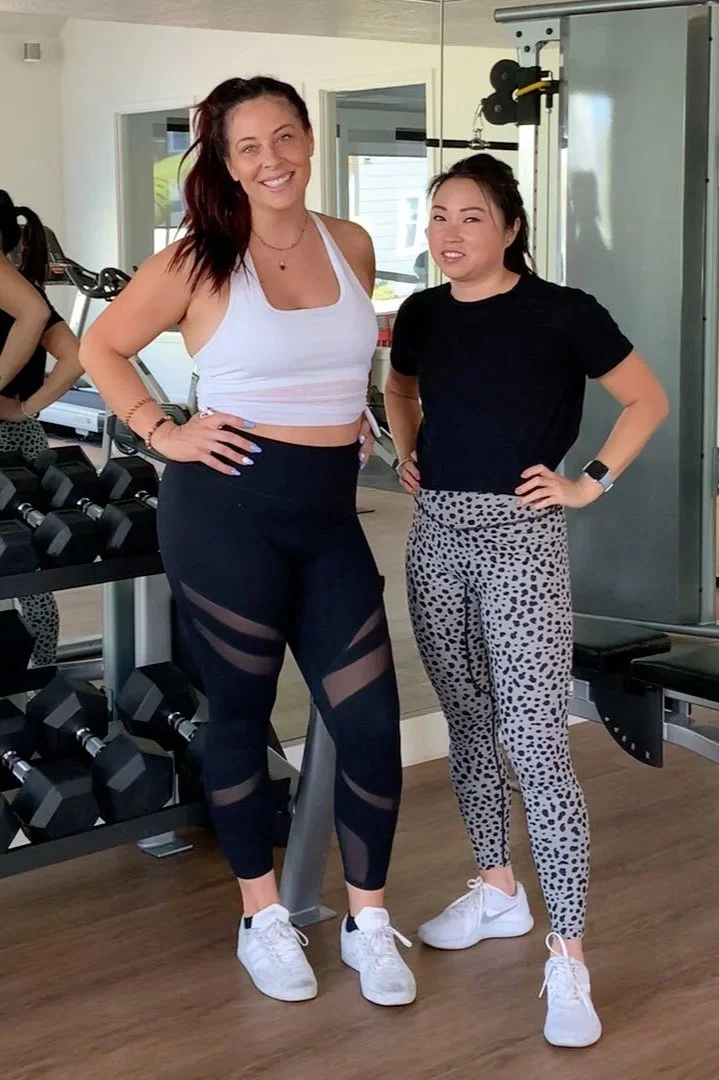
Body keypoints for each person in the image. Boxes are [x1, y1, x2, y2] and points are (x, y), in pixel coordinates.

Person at [79, 75, 416, 1008]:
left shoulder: (349, 243)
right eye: (248, 148)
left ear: (309, 139)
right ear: (224, 165)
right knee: (239, 711)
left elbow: (348, 359)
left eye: (284, 137)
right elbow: (99, 347)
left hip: (328, 514)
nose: (272, 160)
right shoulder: (195, 262)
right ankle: (262, 916)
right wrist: (160, 428)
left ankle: (369, 920)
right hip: (225, 510)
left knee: (369, 723)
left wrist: (352, 414)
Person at [385, 153, 668, 1047]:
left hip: (520, 535)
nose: (449, 234)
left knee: (534, 742)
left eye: (469, 217)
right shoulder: (423, 314)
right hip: (435, 534)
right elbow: (399, 387)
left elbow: (645, 399)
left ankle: (569, 958)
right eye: (436, 216)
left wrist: (587, 482)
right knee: (467, 720)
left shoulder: (562, 312)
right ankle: (497, 888)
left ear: (509, 228)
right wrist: (407, 450)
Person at [0, 192, 83, 665]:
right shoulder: (33, 300)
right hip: (27, 440)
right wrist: (29, 408)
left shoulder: (26, 303)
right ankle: (39, 670)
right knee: (27, 567)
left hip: (8, 443)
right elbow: (75, 358)